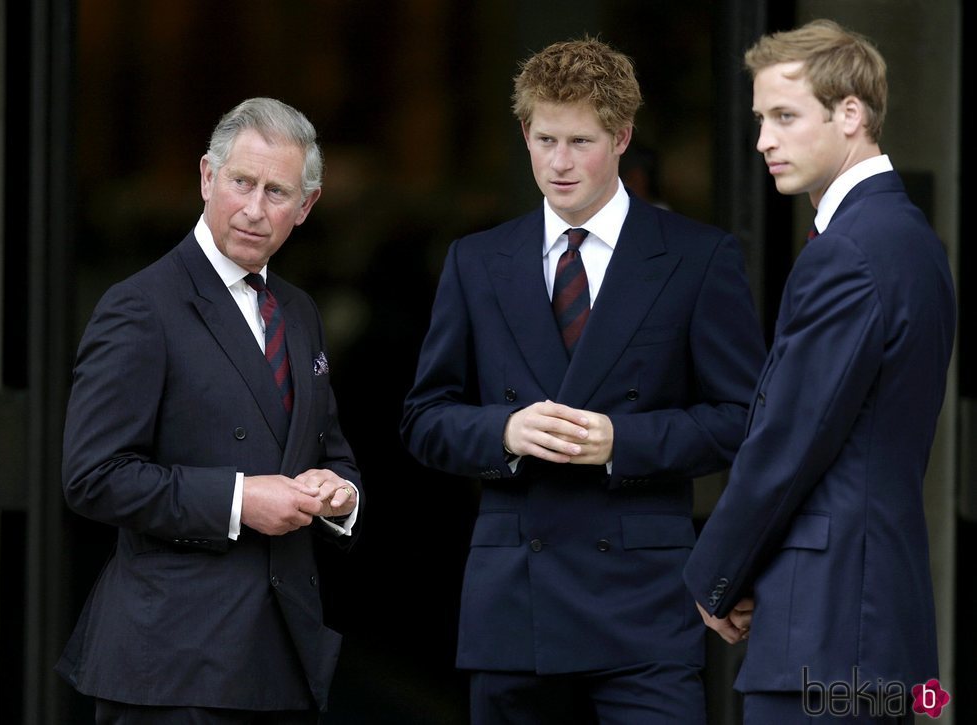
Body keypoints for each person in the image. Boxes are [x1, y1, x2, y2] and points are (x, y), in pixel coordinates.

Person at [400, 37, 766, 724]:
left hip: (645, 611)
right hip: (514, 611)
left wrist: (621, 440)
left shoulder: (697, 257)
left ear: (622, 136)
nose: (559, 162)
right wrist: (503, 430)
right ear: (524, 134)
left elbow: (743, 416)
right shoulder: (477, 261)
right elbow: (424, 417)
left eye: (580, 141)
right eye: (545, 139)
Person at [683, 19, 956, 725]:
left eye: (783, 116)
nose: (763, 141)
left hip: (827, 632)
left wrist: (714, 578)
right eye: (759, 119)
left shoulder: (851, 252)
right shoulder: (911, 240)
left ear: (851, 114)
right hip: (869, 627)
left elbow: (789, 439)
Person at [56, 97, 362, 723]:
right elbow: (92, 476)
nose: (254, 209)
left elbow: (327, 449)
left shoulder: (299, 312)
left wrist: (341, 494)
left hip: (282, 656)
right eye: (241, 182)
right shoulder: (141, 305)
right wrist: (239, 500)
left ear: (306, 207)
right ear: (206, 177)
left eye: (277, 192)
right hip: (172, 665)